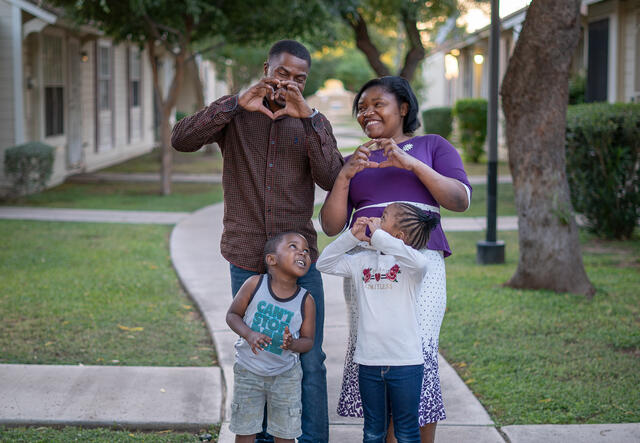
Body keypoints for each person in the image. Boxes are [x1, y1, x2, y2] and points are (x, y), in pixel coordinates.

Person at [172, 40, 343, 443]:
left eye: (300, 78)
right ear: (267, 66)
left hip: (299, 264)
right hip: (247, 258)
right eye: (283, 73)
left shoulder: (311, 122)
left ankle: (313, 439)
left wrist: (311, 119)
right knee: (259, 354)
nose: (290, 83)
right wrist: (233, 104)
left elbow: (334, 179)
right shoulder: (234, 113)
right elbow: (181, 139)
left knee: (310, 358)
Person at [320, 76, 471, 443]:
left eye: (377, 104)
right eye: (361, 107)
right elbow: (330, 225)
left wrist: (409, 163)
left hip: (418, 260)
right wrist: (344, 175)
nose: (366, 112)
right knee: (374, 350)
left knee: (418, 349)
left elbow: (459, 199)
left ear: (403, 107)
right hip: (366, 265)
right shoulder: (356, 159)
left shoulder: (432, 146)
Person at [317, 203, 440, 443]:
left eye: (383, 218)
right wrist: (351, 238)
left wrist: (380, 236)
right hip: (369, 361)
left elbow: (421, 263)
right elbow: (324, 263)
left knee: (406, 432)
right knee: (373, 431)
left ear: (397, 236)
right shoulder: (361, 261)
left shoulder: (411, 265)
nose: (374, 219)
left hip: (406, 362)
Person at [227, 232, 316, 443]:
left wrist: (293, 344)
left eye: (306, 250)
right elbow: (232, 315)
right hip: (248, 371)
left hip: (286, 376)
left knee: (285, 432)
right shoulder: (254, 284)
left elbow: (308, 341)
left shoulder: (306, 300)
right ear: (271, 259)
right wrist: (249, 334)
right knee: (245, 428)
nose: (303, 252)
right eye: (293, 247)